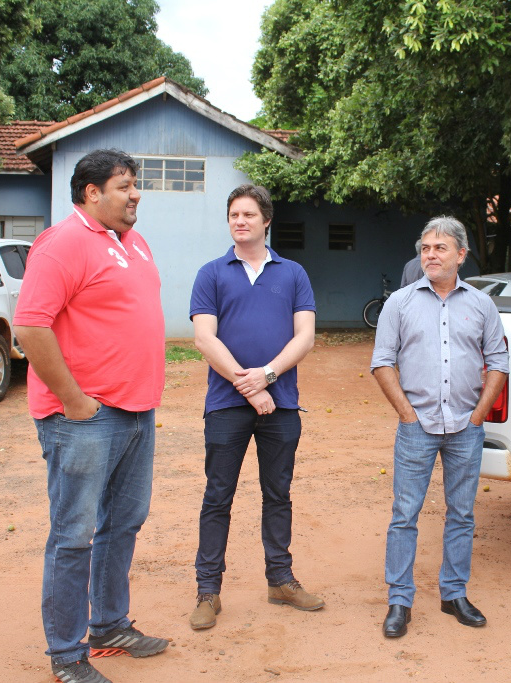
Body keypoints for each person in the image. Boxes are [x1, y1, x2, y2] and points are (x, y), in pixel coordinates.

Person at [13, 149, 168, 683]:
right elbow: (30, 327)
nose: (135, 194)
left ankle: (108, 624)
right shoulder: (62, 243)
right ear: (91, 193)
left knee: (123, 523)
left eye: (135, 185)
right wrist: (76, 400)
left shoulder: (135, 242)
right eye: (124, 186)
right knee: (73, 534)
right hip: (84, 417)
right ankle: (66, 653)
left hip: (136, 412)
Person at [188, 184, 321, 631]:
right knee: (217, 496)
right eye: (233, 215)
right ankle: (209, 591)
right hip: (226, 403)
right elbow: (205, 338)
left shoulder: (294, 273)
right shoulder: (211, 273)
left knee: (277, 494)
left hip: (280, 403)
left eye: (248, 214)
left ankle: (280, 580)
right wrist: (249, 386)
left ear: (266, 221)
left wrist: (266, 377)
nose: (239, 221)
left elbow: (304, 336)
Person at [371, 216, 508, 638]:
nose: (430, 254)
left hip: (466, 428)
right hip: (417, 426)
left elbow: (499, 362)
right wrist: (407, 413)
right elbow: (382, 361)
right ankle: (399, 601)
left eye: (440, 248)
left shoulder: (482, 305)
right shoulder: (401, 302)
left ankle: (453, 594)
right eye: (426, 248)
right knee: (404, 514)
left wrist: (479, 415)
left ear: (461, 255)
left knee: (462, 514)